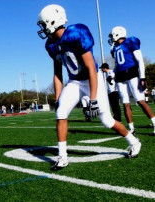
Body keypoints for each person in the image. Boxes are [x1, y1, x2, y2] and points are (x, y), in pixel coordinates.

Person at [37, 4, 141, 171]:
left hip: (92, 79)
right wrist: (57, 98)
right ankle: (62, 157)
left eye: (43, 23)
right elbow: (57, 74)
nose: (42, 28)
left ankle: (133, 141)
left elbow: (92, 68)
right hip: (74, 82)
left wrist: (92, 99)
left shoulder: (76, 33)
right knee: (61, 112)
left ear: (52, 21)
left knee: (106, 120)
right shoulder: (51, 45)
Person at [108, 26, 155, 135]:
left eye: (112, 35)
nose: (111, 38)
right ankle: (131, 128)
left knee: (140, 100)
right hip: (120, 76)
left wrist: (142, 77)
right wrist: (113, 74)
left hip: (132, 73)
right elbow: (118, 64)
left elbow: (140, 60)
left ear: (118, 34)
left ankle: (154, 123)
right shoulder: (115, 48)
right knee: (125, 103)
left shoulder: (130, 41)